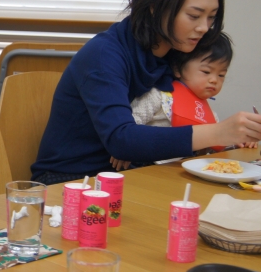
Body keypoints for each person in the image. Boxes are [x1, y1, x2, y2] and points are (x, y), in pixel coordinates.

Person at [31, 0, 261, 185]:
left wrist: (237, 134)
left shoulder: (178, 54)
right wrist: (218, 132)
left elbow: (187, 109)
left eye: (211, 17)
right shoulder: (103, 55)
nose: (204, 28)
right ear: (154, 7)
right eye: (193, 16)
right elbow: (122, 139)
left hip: (134, 172)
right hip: (70, 180)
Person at [110, 32, 258, 171]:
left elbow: (215, 146)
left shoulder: (211, 115)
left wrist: (239, 141)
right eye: (206, 72)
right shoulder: (159, 96)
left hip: (183, 172)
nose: (214, 80)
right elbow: (130, 124)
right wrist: (124, 150)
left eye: (221, 75)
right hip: (149, 167)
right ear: (177, 69)